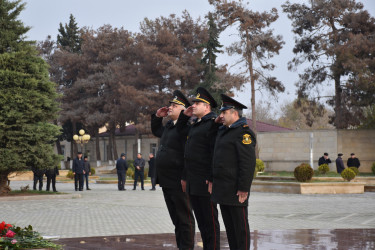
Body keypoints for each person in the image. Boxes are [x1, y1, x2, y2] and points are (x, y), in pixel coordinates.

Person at [176, 87, 220, 250]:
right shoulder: (196, 124)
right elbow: (181, 132)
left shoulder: (212, 124)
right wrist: (184, 116)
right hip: (194, 182)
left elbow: (213, 154)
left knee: (210, 224)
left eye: (198, 103)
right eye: (194, 102)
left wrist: (211, 178)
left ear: (207, 107)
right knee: (202, 224)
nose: (193, 105)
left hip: (205, 182)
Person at [151, 90, 195, 249]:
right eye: (170, 105)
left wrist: (185, 177)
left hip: (179, 181)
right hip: (166, 180)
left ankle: (188, 247)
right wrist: (157, 116)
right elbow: (156, 130)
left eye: (175, 106)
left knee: (185, 219)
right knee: (176, 219)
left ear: (184, 110)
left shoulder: (186, 129)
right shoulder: (169, 126)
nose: (170, 107)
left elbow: (188, 155)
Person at [211, 94, 256, 250]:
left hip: (237, 191)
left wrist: (243, 188)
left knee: (240, 230)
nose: (221, 115)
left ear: (234, 113)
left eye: (224, 112)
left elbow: (248, 163)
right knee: (230, 231)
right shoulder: (224, 131)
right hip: (223, 190)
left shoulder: (243, 134)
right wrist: (215, 124)